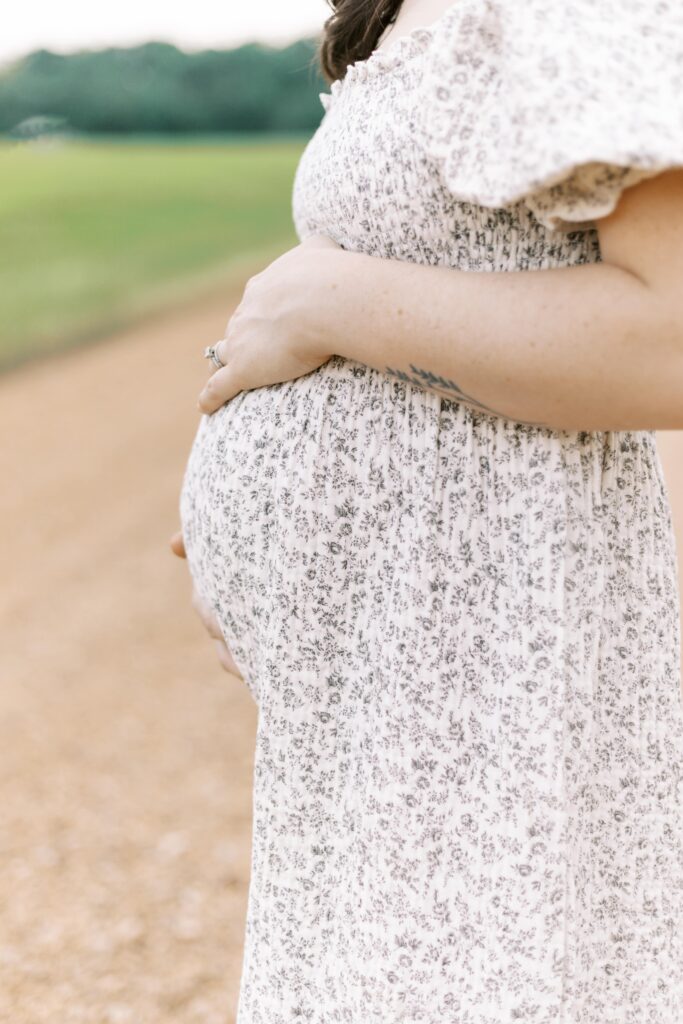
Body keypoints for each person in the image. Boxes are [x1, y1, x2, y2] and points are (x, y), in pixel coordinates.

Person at [171, 0, 683, 1019]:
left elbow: (669, 339)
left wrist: (324, 302)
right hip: (401, 674)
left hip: (497, 668)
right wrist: (280, 559)